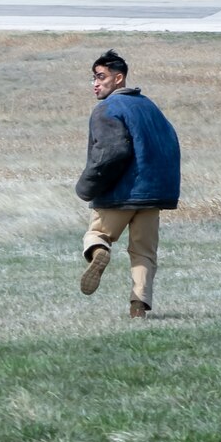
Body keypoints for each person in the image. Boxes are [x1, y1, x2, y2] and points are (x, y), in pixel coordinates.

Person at [76, 49, 180, 320]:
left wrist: (87, 186)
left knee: (98, 234)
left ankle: (99, 253)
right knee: (144, 252)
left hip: (119, 195)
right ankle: (138, 306)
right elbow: (170, 145)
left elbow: (111, 153)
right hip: (152, 197)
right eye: (93, 78)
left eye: (101, 77)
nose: (95, 84)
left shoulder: (107, 109)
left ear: (119, 78)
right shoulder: (149, 106)